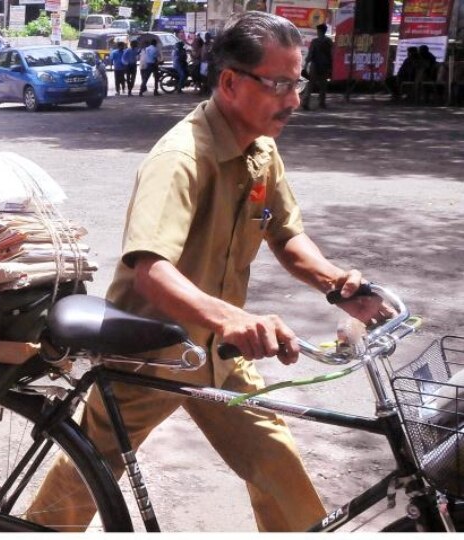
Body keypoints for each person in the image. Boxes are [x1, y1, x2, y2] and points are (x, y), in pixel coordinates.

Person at [26, 11, 389, 531]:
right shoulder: (180, 157)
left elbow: (285, 235)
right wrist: (230, 319)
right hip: (152, 353)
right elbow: (150, 269)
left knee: (275, 462)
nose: (294, 99)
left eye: (298, 80)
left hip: (221, 351)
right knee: (89, 473)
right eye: (280, 83)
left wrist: (337, 283)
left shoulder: (261, 151)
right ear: (230, 83)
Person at [301, 23, 333, 110]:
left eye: (318, 31)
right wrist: (331, 67)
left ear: (320, 31)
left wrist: (306, 66)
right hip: (324, 65)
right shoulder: (329, 42)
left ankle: (305, 102)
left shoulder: (315, 41)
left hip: (315, 65)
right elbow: (331, 55)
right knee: (323, 85)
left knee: (310, 85)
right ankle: (321, 103)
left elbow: (310, 54)